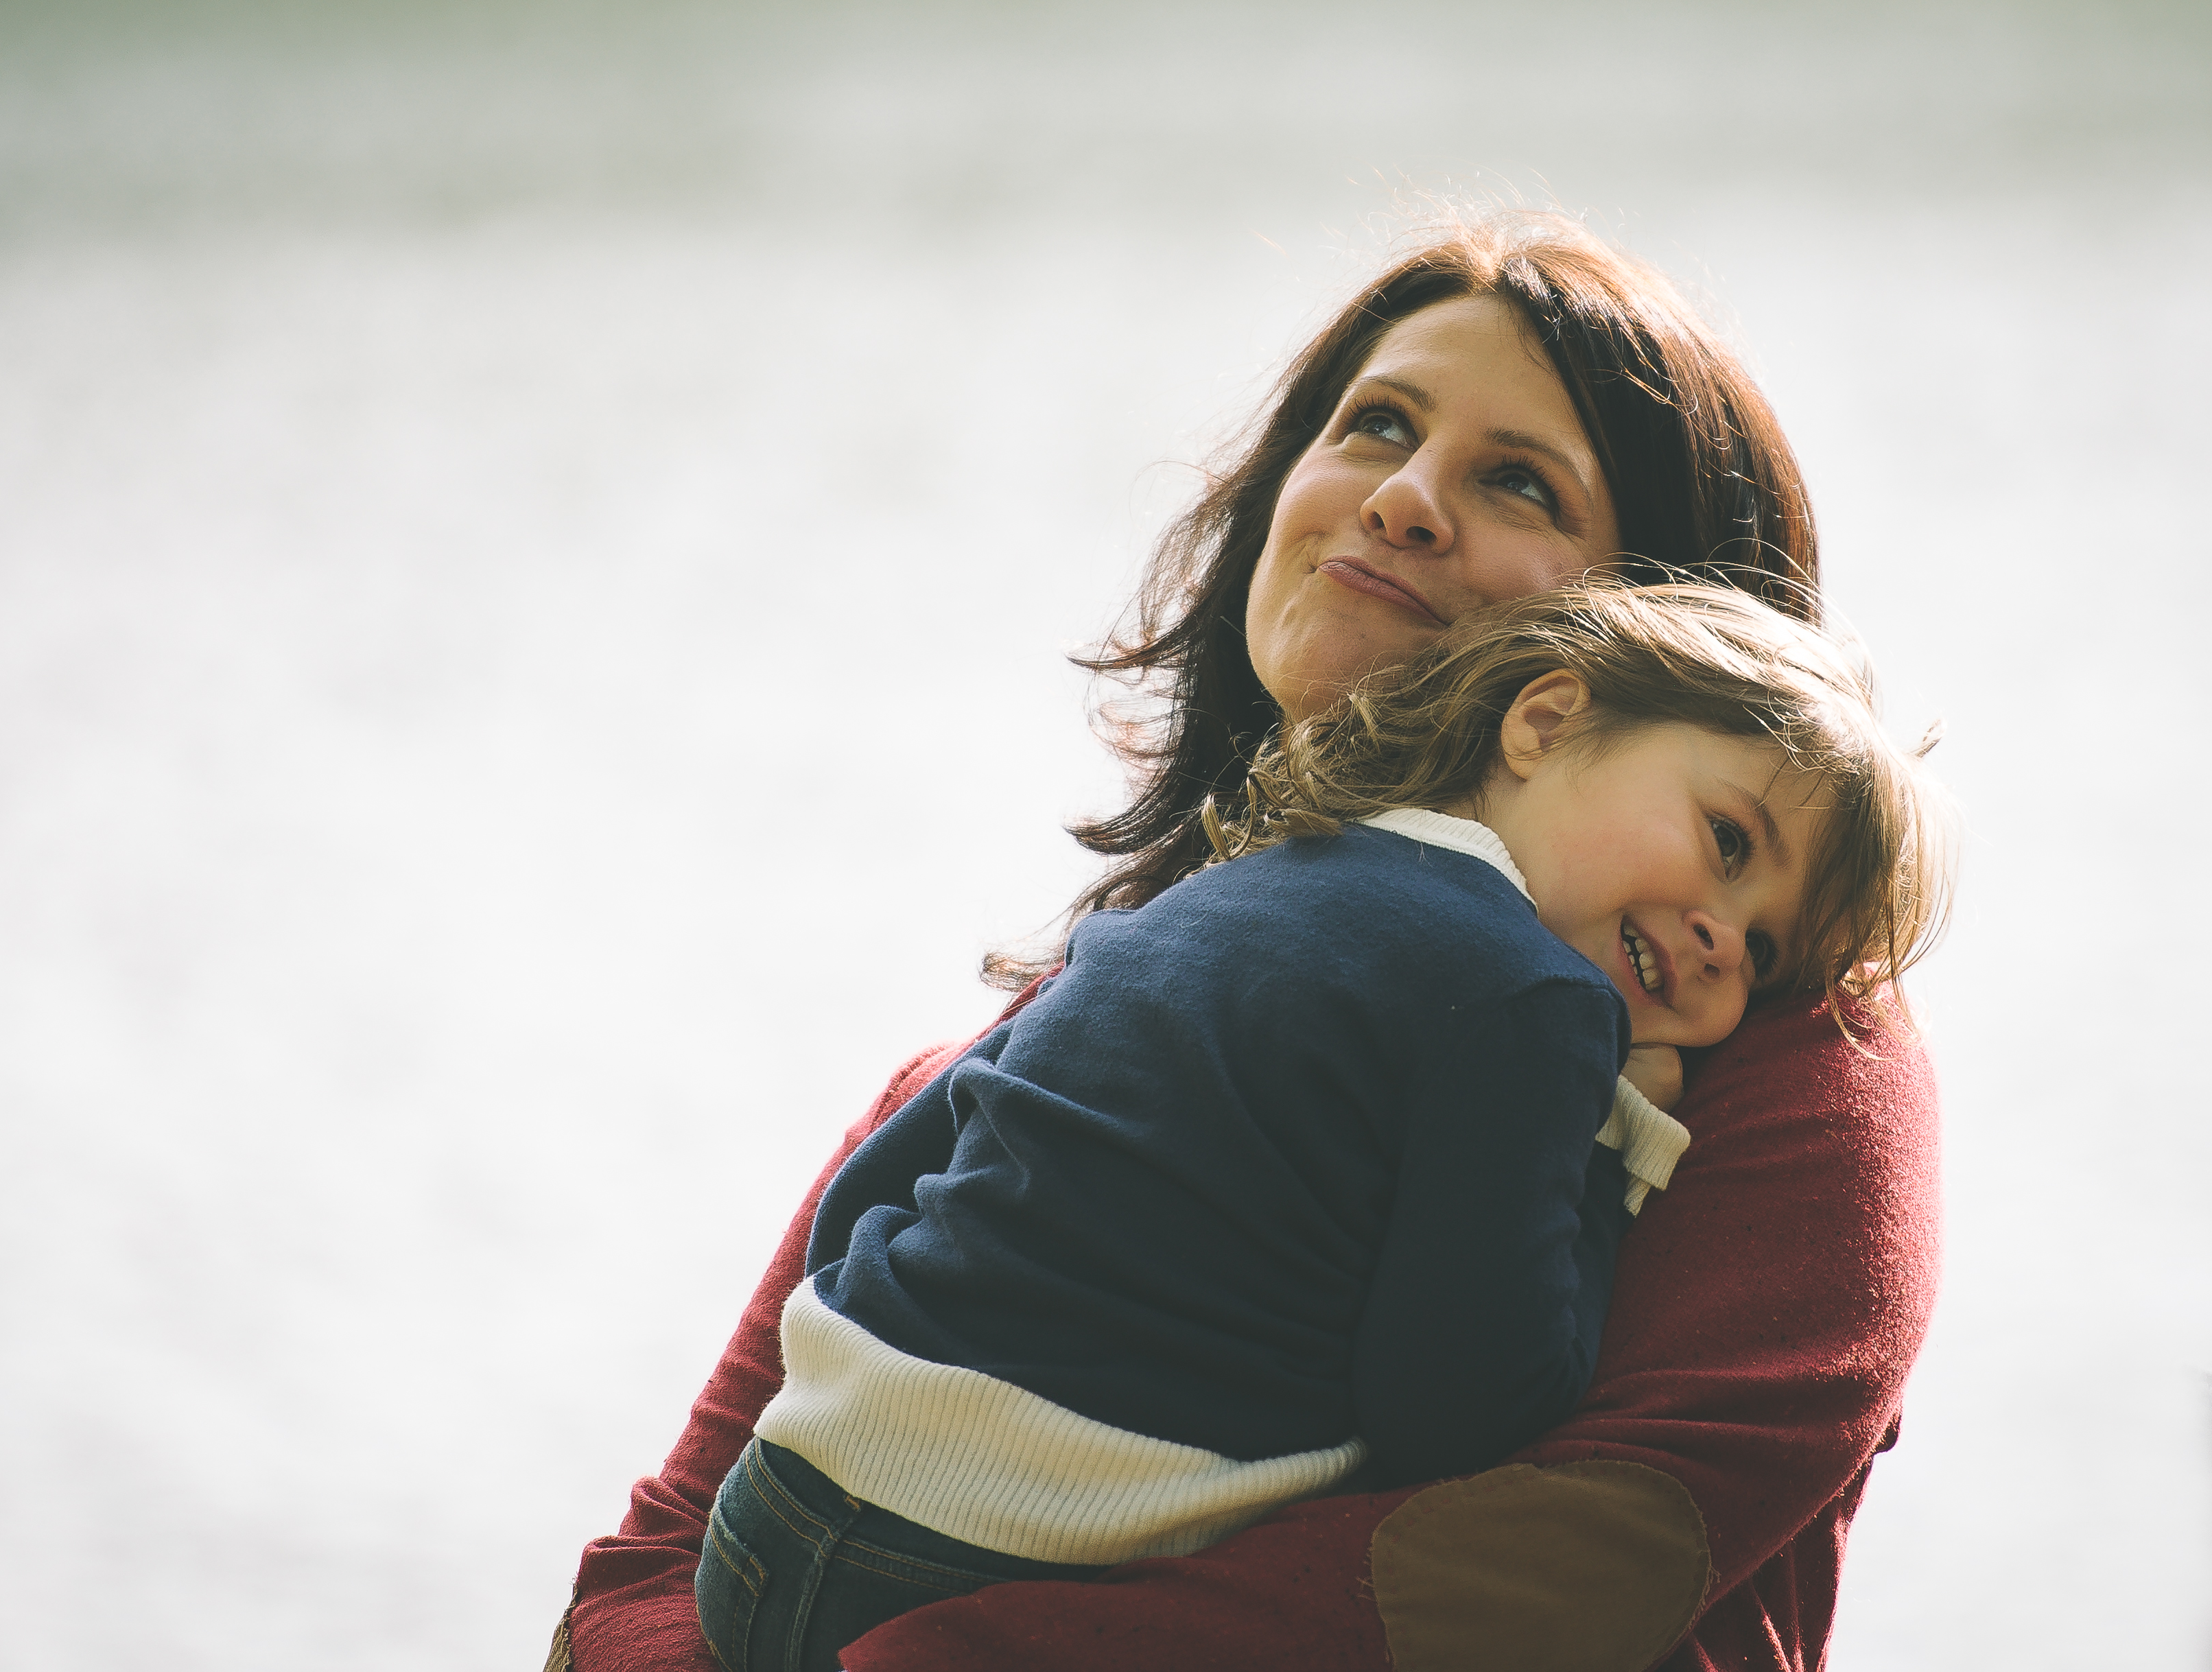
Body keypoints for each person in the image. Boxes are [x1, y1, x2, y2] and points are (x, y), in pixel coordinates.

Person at [558, 211, 1946, 1671]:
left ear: (1658, 631)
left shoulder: (1781, 1065)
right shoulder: (1018, 1045)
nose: (1406, 498)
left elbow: (1581, 1555)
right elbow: (660, 1553)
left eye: (1517, 479)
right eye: (1376, 426)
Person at [692, 582, 1950, 1672]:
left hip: (766, 1526)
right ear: (1545, 719)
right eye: (1727, 839)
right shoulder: (1541, 1004)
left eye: (1765, 950)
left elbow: (877, 1188)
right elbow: (1459, 1408)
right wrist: (1620, 1158)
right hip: (979, 1580)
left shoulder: (1231, 885)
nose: (1723, 933)